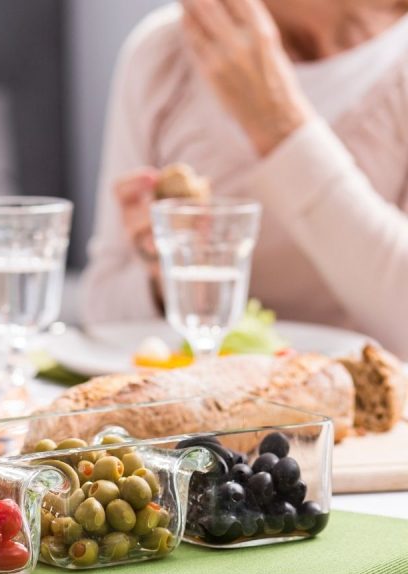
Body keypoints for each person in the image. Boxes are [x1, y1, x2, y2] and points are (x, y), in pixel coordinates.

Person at [80, 0, 408, 356]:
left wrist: (278, 124)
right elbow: (102, 314)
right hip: (205, 399)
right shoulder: (163, 53)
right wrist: (165, 279)